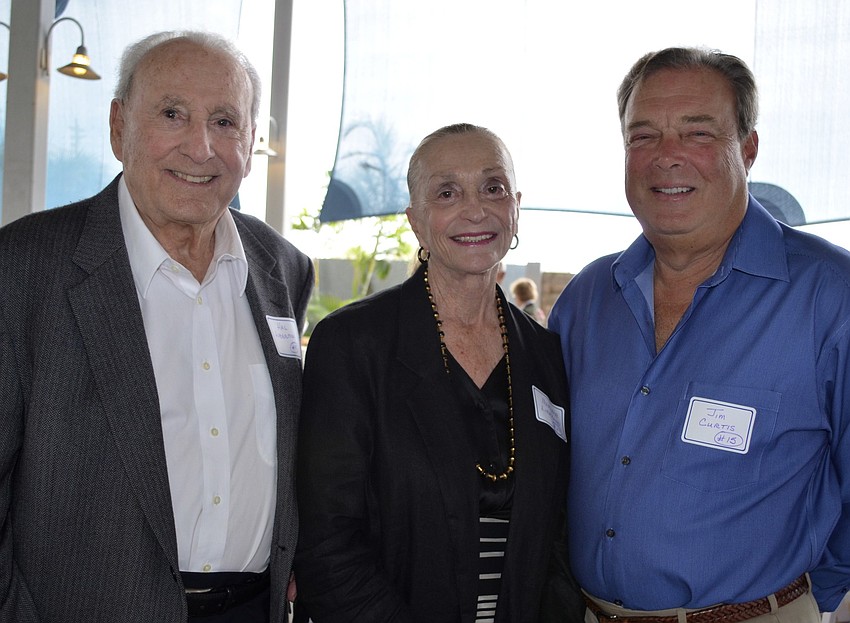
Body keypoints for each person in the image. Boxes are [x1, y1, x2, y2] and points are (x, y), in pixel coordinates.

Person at [0, 30, 313, 623]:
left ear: (251, 143)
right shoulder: (24, 268)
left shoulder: (283, 268)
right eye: (173, 114)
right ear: (119, 128)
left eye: (225, 122)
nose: (201, 148)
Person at [549, 46, 850, 622]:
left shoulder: (829, 296)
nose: (667, 158)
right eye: (643, 137)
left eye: (697, 133)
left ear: (749, 148)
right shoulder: (588, 299)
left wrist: (808, 598)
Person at [294, 123, 584, 622]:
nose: (475, 209)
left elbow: (558, 537)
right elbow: (327, 545)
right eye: (447, 192)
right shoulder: (353, 346)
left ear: (515, 207)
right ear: (416, 220)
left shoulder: (546, 354)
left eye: (492, 188)